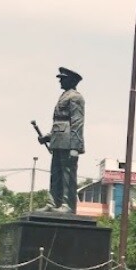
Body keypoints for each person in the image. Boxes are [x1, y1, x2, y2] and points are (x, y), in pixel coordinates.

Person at [39, 67, 85, 213]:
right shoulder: (64, 96)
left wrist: (75, 147)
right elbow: (59, 122)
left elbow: (77, 122)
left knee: (67, 175)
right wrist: (48, 137)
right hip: (58, 140)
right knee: (56, 174)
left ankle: (67, 205)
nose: (60, 80)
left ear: (71, 80)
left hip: (68, 142)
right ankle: (52, 202)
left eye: (63, 78)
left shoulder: (76, 97)